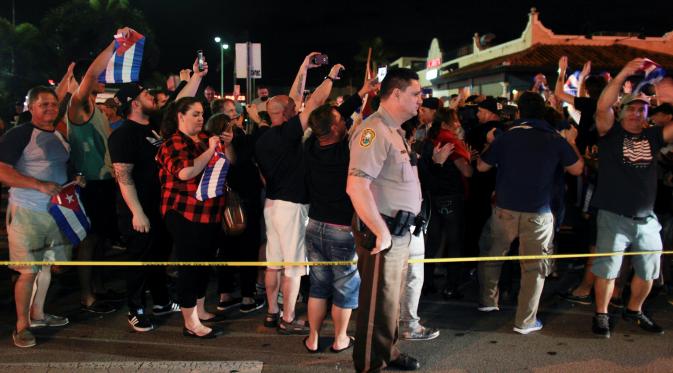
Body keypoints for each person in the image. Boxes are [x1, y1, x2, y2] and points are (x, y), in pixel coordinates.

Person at [476, 91, 583, 334]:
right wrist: (572, 142)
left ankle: (488, 301)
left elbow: (482, 166)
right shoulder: (555, 139)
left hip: (504, 210)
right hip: (539, 212)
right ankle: (525, 321)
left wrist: (493, 144)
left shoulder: (507, 137)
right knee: (534, 268)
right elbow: (577, 169)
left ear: (519, 112)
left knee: (492, 255)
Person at [347, 67, 424, 372]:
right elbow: (356, 185)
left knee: (389, 301)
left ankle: (387, 352)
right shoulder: (374, 129)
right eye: (416, 94)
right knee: (377, 303)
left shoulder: (395, 130)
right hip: (384, 230)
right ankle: (369, 364)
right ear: (396, 94)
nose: (421, 100)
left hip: (398, 229)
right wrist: (382, 232)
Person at [590, 58, 673, 338]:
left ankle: (634, 310)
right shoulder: (610, 133)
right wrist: (624, 73)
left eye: (642, 109)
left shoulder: (653, 136)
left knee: (649, 271)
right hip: (614, 216)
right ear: (621, 111)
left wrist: (666, 93)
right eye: (631, 109)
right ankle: (601, 314)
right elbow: (602, 107)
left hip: (647, 219)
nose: (637, 114)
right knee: (607, 270)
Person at [254, 52, 333, 335]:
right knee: (294, 267)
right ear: (288, 114)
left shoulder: (263, 138)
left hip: (272, 205)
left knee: (273, 263)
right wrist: (330, 76)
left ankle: (272, 313)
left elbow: (293, 99)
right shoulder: (288, 134)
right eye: (294, 108)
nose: (299, 106)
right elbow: (313, 102)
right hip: (292, 207)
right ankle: (288, 318)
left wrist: (303, 67)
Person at [302, 71, 376, 353]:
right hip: (341, 231)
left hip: (314, 226)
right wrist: (369, 123)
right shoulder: (348, 152)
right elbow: (367, 138)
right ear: (335, 129)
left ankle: (313, 338)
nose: (345, 121)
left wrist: (360, 93)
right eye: (341, 122)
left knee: (319, 285)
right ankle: (340, 338)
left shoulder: (310, 146)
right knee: (344, 286)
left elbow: (327, 119)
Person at [0, 86, 73, 348]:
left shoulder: (60, 133)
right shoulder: (18, 135)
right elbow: (2, 172)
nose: (50, 108)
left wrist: (75, 181)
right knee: (27, 271)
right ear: (31, 107)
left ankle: (38, 314)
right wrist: (38, 185)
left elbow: (60, 168)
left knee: (46, 266)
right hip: (27, 212)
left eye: (53, 104)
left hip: (57, 212)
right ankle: (22, 326)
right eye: (43, 104)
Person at [156, 97, 234, 338]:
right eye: (195, 114)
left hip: (210, 212)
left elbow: (228, 164)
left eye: (202, 114)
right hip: (183, 211)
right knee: (190, 265)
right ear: (180, 116)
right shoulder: (171, 144)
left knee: (203, 263)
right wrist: (211, 150)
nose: (201, 118)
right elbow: (185, 171)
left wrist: (226, 146)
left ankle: (200, 310)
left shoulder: (204, 139)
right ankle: (190, 322)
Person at [108, 82, 179, 333]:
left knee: (158, 256)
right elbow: (124, 177)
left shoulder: (152, 127)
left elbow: (176, 104)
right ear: (134, 103)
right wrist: (137, 212)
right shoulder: (123, 134)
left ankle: (161, 301)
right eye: (147, 93)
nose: (153, 96)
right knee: (138, 260)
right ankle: (136, 310)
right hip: (137, 209)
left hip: (158, 206)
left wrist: (195, 77)